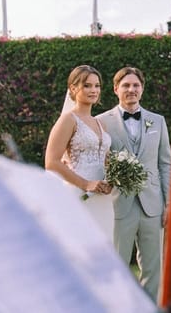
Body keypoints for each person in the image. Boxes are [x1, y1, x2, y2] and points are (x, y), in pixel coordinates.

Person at [97, 66, 171, 302]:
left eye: (136, 85)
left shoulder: (157, 121)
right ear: (116, 89)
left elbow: (165, 164)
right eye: (126, 85)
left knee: (153, 268)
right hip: (119, 205)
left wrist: (169, 203)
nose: (131, 89)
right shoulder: (101, 122)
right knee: (117, 265)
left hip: (153, 205)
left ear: (142, 89)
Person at [45, 65, 114, 238]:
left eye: (97, 86)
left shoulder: (100, 124)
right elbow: (51, 162)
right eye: (87, 85)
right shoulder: (68, 120)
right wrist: (86, 184)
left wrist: (116, 177)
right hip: (79, 194)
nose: (94, 90)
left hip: (102, 197)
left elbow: (105, 160)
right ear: (73, 88)